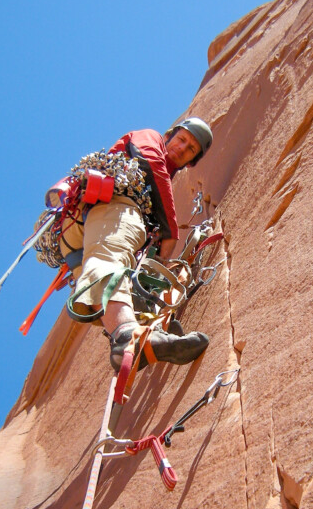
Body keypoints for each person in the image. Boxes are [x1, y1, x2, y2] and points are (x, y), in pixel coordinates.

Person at [55, 118, 213, 372]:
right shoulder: (151, 138)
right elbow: (149, 159)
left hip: (77, 233)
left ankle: (128, 336)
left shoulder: (162, 178)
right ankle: (129, 336)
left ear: (191, 162)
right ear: (170, 135)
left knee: (116, 279)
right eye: (182, 139)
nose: (182, 148)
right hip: (111, 201)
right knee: (111, 260)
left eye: (191, 149)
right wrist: (169, 230)